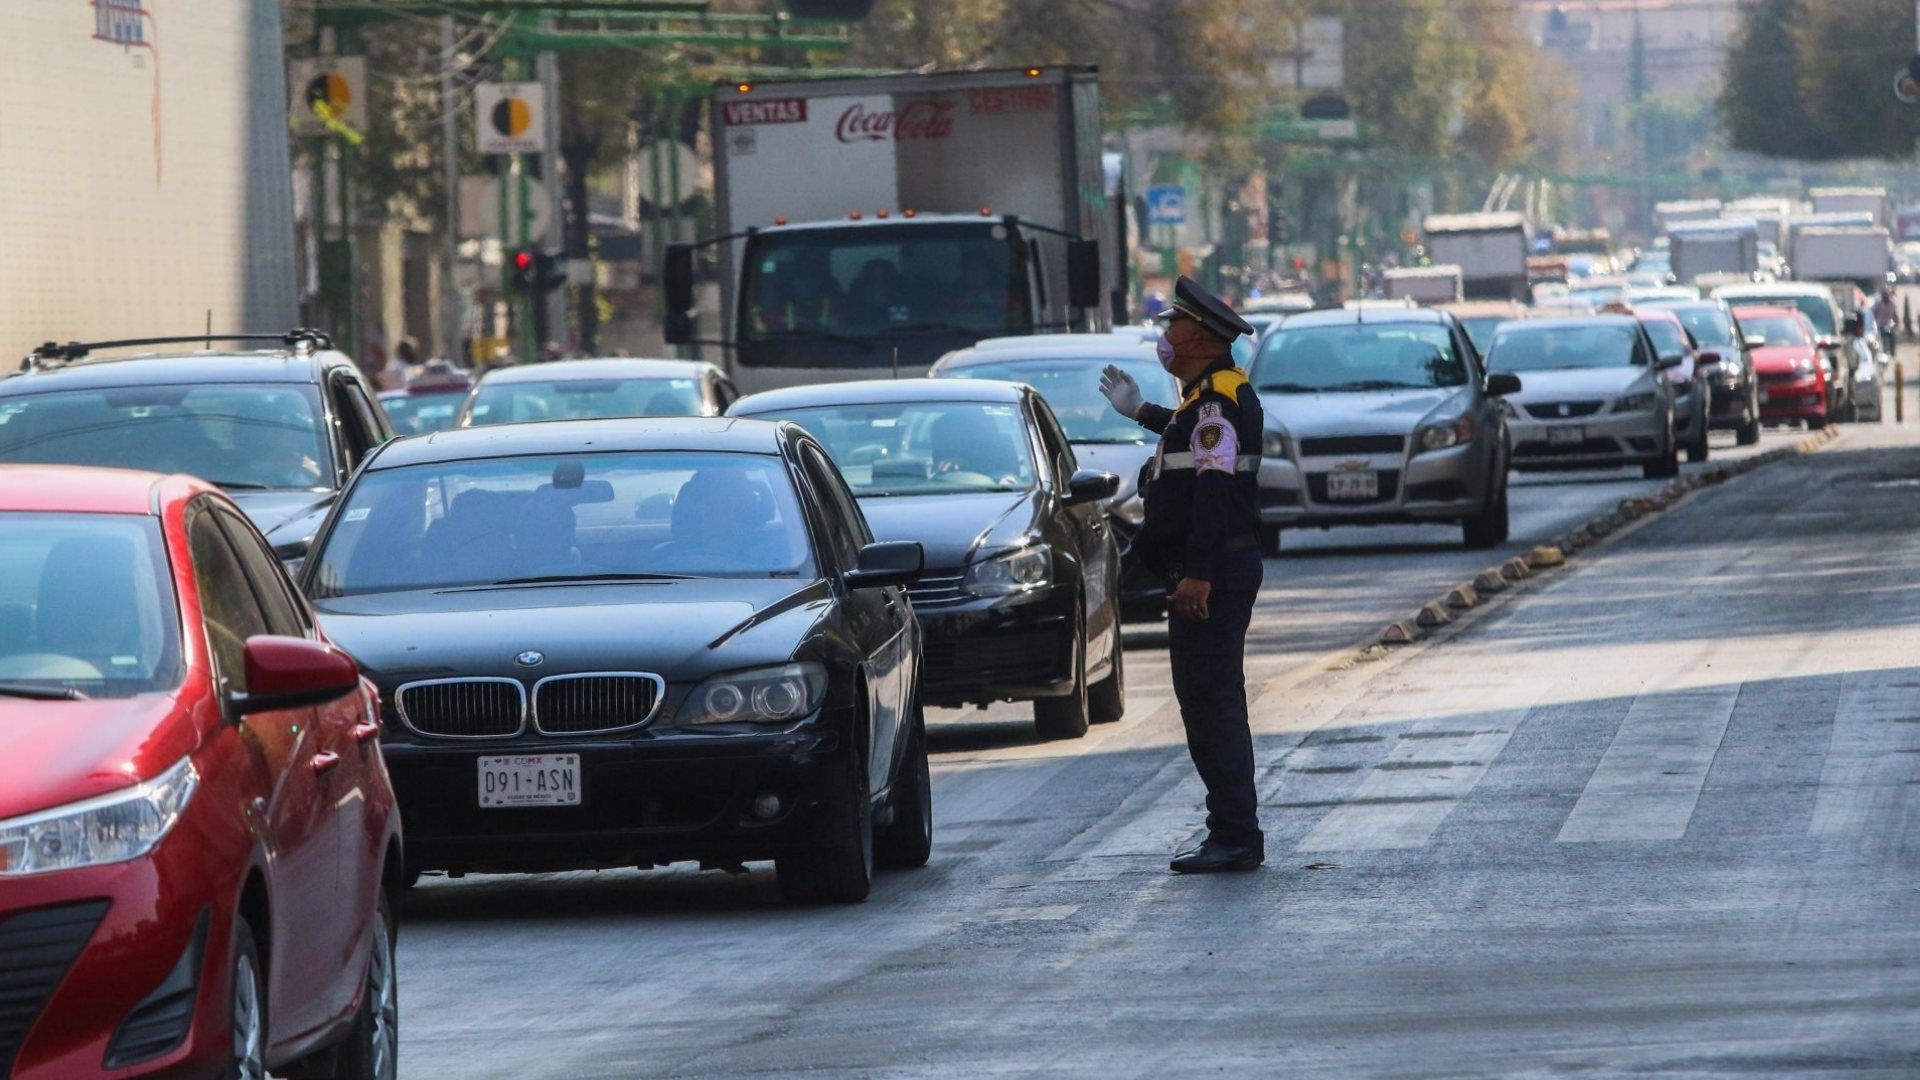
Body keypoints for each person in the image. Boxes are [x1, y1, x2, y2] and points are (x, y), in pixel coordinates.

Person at [1098, 275, 1265, 874]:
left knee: (1211, 703)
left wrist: (1197, 576)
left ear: (1197, 335)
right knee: (1210, 700)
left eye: (1172, 325)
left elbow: (1214, 490)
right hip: (1214, 569)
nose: (1164, 334)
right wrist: (1142, 411)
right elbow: (1194, 443)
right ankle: (1232, 829)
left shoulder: (1216, 400)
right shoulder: (1209, 397)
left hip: (1212, 576)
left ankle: (1235, 835)